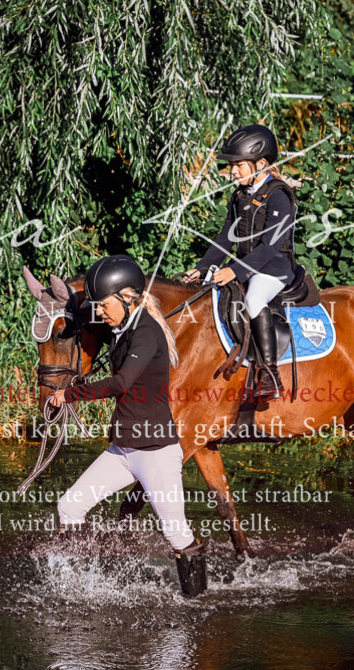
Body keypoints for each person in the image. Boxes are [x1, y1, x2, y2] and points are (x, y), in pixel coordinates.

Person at [47, 254, 207, 597]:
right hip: (122, 450)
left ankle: (198, 604)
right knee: (69, 506)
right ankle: (75, 589)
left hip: (155, 452)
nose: (100, 313)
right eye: (98, 307)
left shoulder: (146, 333)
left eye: (103, 305)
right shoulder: (120, 326)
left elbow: (120, 383)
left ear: (127, 297)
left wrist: (70, 395)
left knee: (176, 534)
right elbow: (83, 320)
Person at [182, 124, 298, 401]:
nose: (232, 171)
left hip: (274, 268)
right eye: (232, 165)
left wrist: (234, 270)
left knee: (254, 301)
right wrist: (202, 268)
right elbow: (225, 238)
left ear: (260, 164)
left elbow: (270, 246)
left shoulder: (279, 196)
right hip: (247, 266)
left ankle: (270, 375)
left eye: (239, 166)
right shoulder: (240, 195)